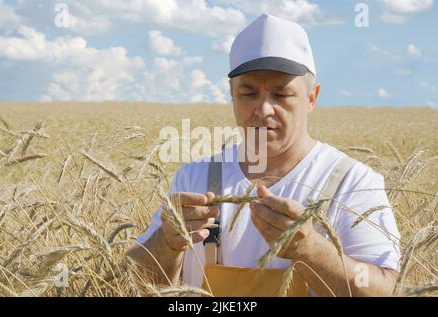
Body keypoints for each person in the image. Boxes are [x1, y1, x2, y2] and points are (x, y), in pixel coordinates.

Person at [126, 13, 401, 297]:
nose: (264, 110)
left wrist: (313, 252)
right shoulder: (195, 177)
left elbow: (381, 290)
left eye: (281, 95)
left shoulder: (351, 182)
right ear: (232, 96)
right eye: (249, 93)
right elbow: (135, 283)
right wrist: (166, 243)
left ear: (311, 98)